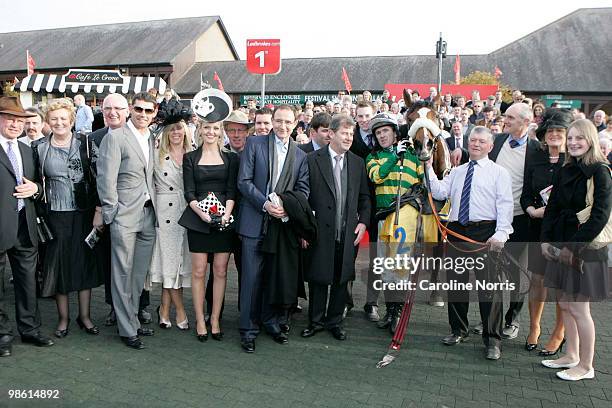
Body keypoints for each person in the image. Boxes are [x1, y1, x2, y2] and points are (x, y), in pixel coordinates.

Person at [428, 126, 514, 360]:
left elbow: (505, 205)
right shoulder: (457, 171)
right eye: (472, 140)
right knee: (456, 285)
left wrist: (502, 234)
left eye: (481, 141)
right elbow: (438, 192)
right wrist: (427, 166)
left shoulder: (499, 173)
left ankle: (493, 339)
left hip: (486, 233)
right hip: (457, 232)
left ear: (490, 146)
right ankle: (458, 330)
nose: (475, 144)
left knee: (490, 290)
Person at [540, 119, 611, 381]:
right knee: (565, 302)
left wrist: (574, 248)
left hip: (585, 248)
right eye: (570, 138)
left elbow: (600, 216)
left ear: (590, 139)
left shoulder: (600, 172)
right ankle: (571, 355)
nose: (573, 142)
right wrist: (546, 240)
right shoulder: (565, 168)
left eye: (579, 138)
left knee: (580, 309)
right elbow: (553, 207)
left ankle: (586, 366)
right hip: (561, 242)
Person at [237, 104, 309, 353]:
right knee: (251, 279)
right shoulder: (254, 144)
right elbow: (243, 182)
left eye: (288, 122)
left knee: (272, 278)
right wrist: (265, 204)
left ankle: (270, 321)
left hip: (280, 227)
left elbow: (303, 190)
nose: (283, 126)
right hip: (253, 223)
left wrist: (288, 209)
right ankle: (248, 329)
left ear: (296, 123)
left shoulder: (300, 155)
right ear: (272, 120)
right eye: (279, 121)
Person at [32, 98, 102, 338]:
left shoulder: (86, 144)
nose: (59, 123)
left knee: (83, 264)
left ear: (72, 121)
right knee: (59, 265)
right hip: (55, 215)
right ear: (47, 122)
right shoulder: (40, 148)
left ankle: (85, 316)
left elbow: (98, 178)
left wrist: (99, 211)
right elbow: (34, 184)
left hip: (84, 214)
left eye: (64, 118)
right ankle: (63, 319)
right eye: (54, 119)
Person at [366, 114, 438, 334]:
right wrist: (394, 157)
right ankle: (389, 311)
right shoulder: (373, 157)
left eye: (385, 131)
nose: (382, 136)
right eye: (378, 133)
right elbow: (377, 177)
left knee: (401, 268)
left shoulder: (411, 156)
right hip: (383, 219)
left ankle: (397, 313)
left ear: (395, 133)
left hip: (405, 221)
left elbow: (424, 182)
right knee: (385, 269)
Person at [97, 92, 158, 350]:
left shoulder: (152, 137)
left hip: (148, 214)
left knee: (137, 275)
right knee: (122, 273)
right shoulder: (115, 137)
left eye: (148, 111)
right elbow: (105, 179)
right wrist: (112, 213)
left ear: (154, 114)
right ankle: (126, 329)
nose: (143, 114)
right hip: (124, 215)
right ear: (130, 110)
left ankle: (132, 319)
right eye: (139, 109)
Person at [301, 114, 370, 341]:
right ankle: (316, 321)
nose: (349, 137)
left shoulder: (358, 163)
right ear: (331, 134)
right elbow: (303, 197)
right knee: (319, 277)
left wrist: (363, 223)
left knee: (342, 278)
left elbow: (365, 199)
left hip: (347, 231)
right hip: (319, 231)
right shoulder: (311, 159)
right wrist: (305, 228)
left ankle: (335, 322)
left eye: (351, 134)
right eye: (344, 133)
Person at [0, 97, 54, 357]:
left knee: (27, 282)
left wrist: (35, 189)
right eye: (9, 118)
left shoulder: (25, 150)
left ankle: (30, 329)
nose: (15, 123)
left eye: (19, 120)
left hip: (25, 226)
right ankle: (2, 336)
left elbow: (39, 185)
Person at [181, 119, 238, 342]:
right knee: (198, 272)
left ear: (220, 131)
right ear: (200, 130)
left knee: (221, 270)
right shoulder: (190, 158)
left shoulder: (231, 158)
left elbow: (232, 191)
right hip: (198, 220)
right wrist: (202, 215)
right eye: (207, 128)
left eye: (215, 128)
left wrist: (224, 215)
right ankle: (200, 320)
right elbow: (189, 192)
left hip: (224, 219)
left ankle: (215, 319)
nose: (211, 132)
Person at [520, 108, 572, 354]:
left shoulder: (575, 160)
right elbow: (526, 192)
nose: (554, 135)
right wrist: (530, 209)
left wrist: (552, 212)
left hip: (563, 230)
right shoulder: (536, 157)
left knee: (560, 283)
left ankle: (559, 333)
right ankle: (534, 327)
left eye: (559, 131)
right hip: (537, 227)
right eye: (550, 130)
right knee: (537, 280)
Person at [487, 103, 540, 340]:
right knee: (490, 271)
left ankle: (512, 319)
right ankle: (491, 318)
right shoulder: (496, 141)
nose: (504, 119)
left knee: (516, 274)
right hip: (492, 219)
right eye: (505, 116)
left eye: (510, 117)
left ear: (525, 122)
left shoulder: (537, 150)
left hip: (520, 220)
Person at [149, 115, 193, 331]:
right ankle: (181, 310)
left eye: (179, 128)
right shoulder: (157, 154)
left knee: (179, 264)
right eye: (172, 129)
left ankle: (164, 310)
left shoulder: (192, 154)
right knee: (169, 262)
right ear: (166, 132)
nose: (176, 132)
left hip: (187, 211)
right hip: (165, 212)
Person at [349, 101, 380, 322]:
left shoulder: (384, 135)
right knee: (348, 255)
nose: (364, 120)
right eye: (360, 116)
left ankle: (372, 303)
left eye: (367, 115)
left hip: (380, 205)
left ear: (374, 115)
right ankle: (345, 301)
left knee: (377, 258)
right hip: (355, 203)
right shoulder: (350, 139)